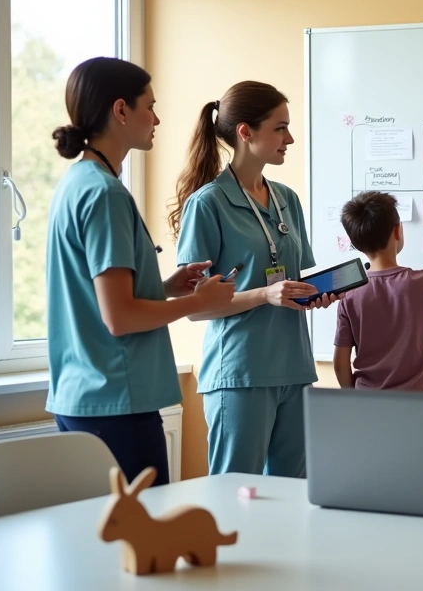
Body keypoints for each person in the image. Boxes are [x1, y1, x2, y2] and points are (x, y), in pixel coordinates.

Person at [46, 57, 235, 487]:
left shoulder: (77, 184)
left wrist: (164, 287)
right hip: (116, 401)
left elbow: (101, 296)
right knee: (140, 542)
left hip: (86, 395)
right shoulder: (105, 194)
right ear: (120, 111)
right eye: (149, 105)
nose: (158, 118)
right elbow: (120, 317)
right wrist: (197, 302)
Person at [169, 81, 334, 478]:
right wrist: (266, 294)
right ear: (246, 132)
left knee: (292, 499)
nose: (289, 138)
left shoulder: (286, 199)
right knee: (234, 498)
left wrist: (314, 295)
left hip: (295, 368)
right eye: (280, 128)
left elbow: (290, 282)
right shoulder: (208, 203)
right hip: (240, 373)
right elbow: (194, 310)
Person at [333, 191, 423, 391]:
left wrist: (355, 399)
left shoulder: (349, 294)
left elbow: (340, 363)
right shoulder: (422, 282)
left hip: (367, 404)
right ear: (397, 231)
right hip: (416, 406)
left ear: (353, 241)